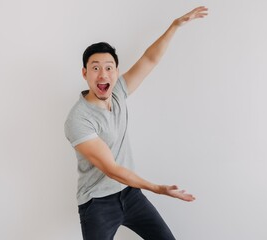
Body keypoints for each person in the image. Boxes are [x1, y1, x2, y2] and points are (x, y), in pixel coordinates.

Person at [64, 6, 208, 240]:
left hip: (130, 195)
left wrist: (174, 25)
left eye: (109, 68)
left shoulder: (118, 91)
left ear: (116, 71)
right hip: (97, 203)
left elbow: (150, 59)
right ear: (85, 73)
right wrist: (158, 189)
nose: (103, 75)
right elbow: (112, 170)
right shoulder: (78, 119)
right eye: (95, 68)